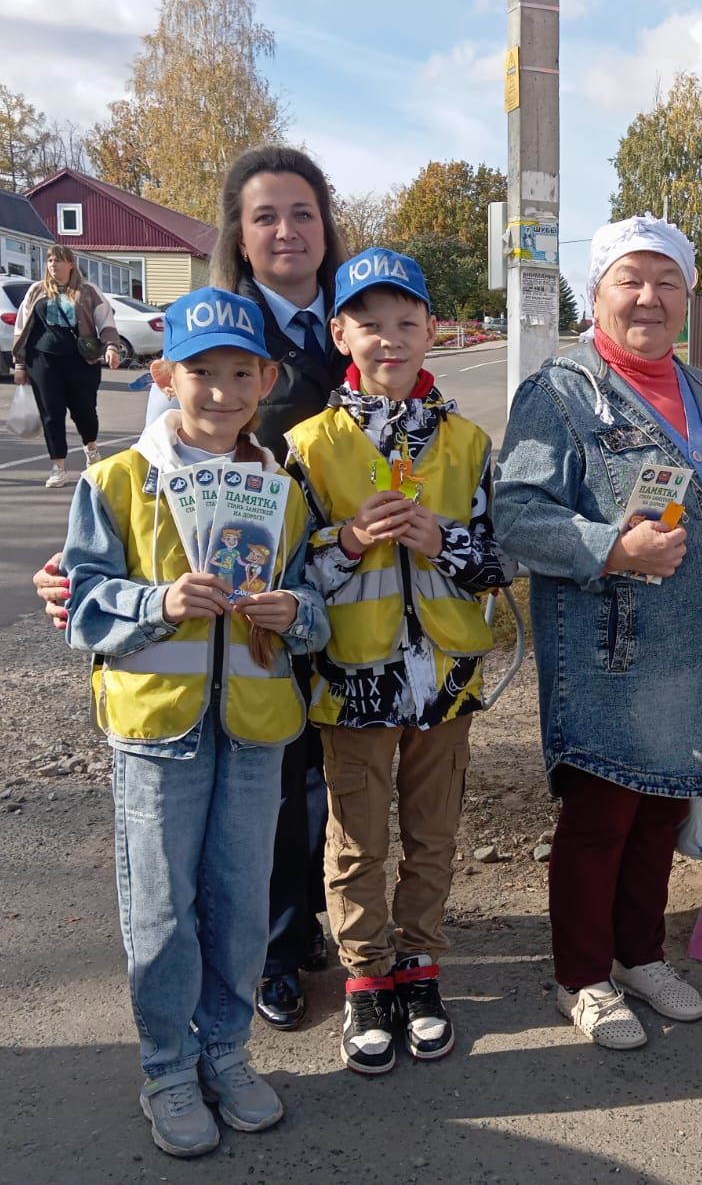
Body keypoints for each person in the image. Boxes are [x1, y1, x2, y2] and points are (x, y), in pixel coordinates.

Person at [34, 145, 347, 1032]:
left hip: (329, 605)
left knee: (307, 795)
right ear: (238, 238)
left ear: (326, 227)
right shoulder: (212, 329)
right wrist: (90, 584)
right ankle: (271, 960)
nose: (287, 231)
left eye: (303, 213)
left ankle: (297, 949)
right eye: (264, 217)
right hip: (200, 654)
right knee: (229, 832)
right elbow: (143, 497)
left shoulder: (364, 317)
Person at [62, 288, 329, 1157]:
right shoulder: (115, 481)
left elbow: (316, 604)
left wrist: (298, 612)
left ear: (268, 378)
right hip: (156, 734)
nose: (220, 391)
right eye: (201, 372)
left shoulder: (281, 490)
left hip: (255, 730)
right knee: (162, 909)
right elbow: (85, 607)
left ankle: (226, 1051)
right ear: (164, 374)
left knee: (241, 904)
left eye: (239, 372)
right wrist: (160, 600)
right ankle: (168, 1069)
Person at [493, 216, 702, 1050]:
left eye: (666, 280)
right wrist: (610, 546)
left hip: (693, 650)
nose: (649, 297)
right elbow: (518, 518)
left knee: (657, 817)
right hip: (612, 650)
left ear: (687, 296)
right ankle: (583, 976)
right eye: (629, 280)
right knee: (601, 819)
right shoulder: (560, 393)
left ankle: (641, 954)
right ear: (596, 294)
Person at [285, 247, 511, 1074]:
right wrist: (345, 540)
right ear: (340, 333)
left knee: (433, 834)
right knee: (355, 842)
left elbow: (500, 562)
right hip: (352, 682)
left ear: (431, 331)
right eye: (369, 324)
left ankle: (419, 966)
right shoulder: (307, 446)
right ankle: (365, 978)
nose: (390, 338)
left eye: (406, 322)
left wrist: (441, 540)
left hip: (445, 680)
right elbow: (281, 574)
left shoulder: (468, 441)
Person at [11, 245, 122, 487]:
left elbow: (106, 322)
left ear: (71, 264)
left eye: (59, 260)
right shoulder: (36, 291)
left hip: (81, 360)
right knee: (51, 413)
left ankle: (91, 449)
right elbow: (22, 327)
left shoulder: (88, 291)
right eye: (50, 260)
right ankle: (58, 467)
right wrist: (20, 363)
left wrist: (111, 347)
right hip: (42, 359)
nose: (53, 265)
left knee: (84, 411)